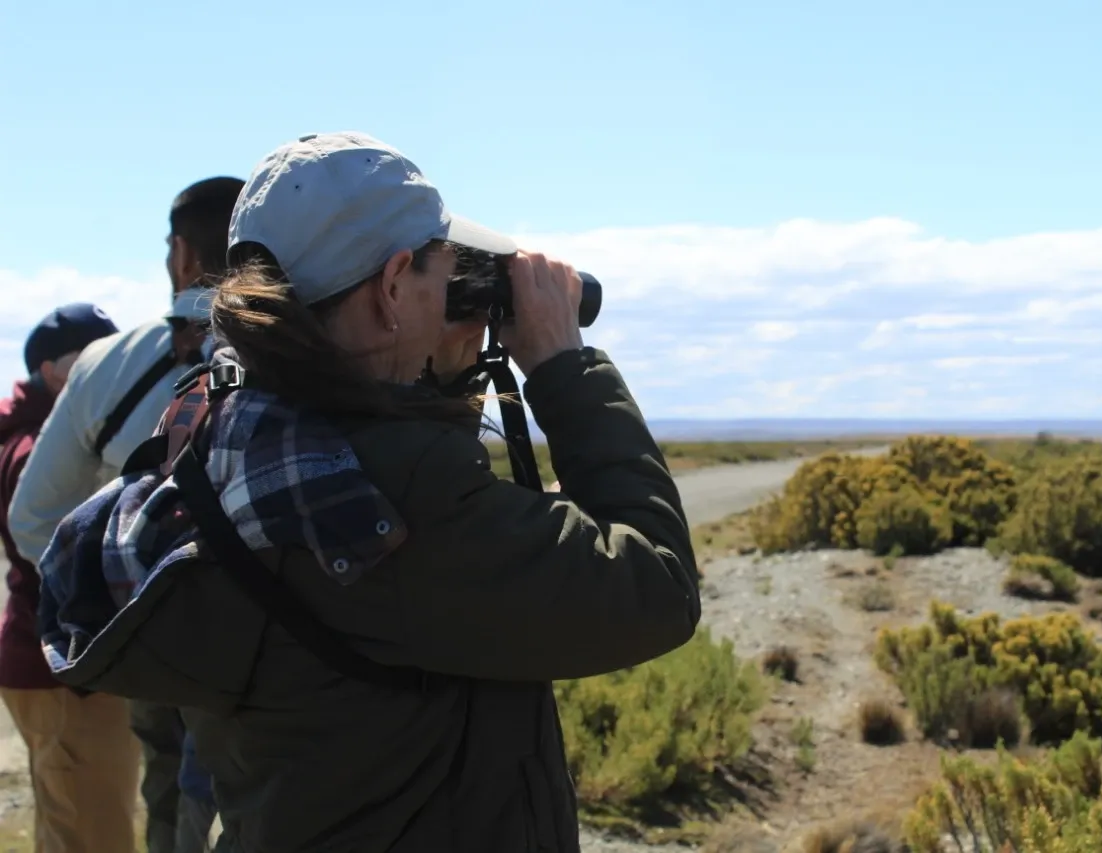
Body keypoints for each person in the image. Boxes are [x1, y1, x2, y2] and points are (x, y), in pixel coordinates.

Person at [33, 131, 700, 852]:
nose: (453, 294)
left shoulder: (223, 429)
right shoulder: (398, 494)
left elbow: (404, 558)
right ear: (391, 287)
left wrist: (439, 376)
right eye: (441, 272)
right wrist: (565, 366)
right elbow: (656, 585)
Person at [8, 176, 245, 853]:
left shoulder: (109, 365)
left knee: (167, 791)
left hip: (151, 637)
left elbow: (34, 520)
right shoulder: (315, 356)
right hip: (282, 644)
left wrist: (114, 613)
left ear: (180, 255)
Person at [0, 303, 135, 852]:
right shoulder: (38, 450)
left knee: (70, 827)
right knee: (92, 835)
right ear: (56, 371)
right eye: (94, 360)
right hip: (65, 670)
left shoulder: (29, 436)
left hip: (49, 664)